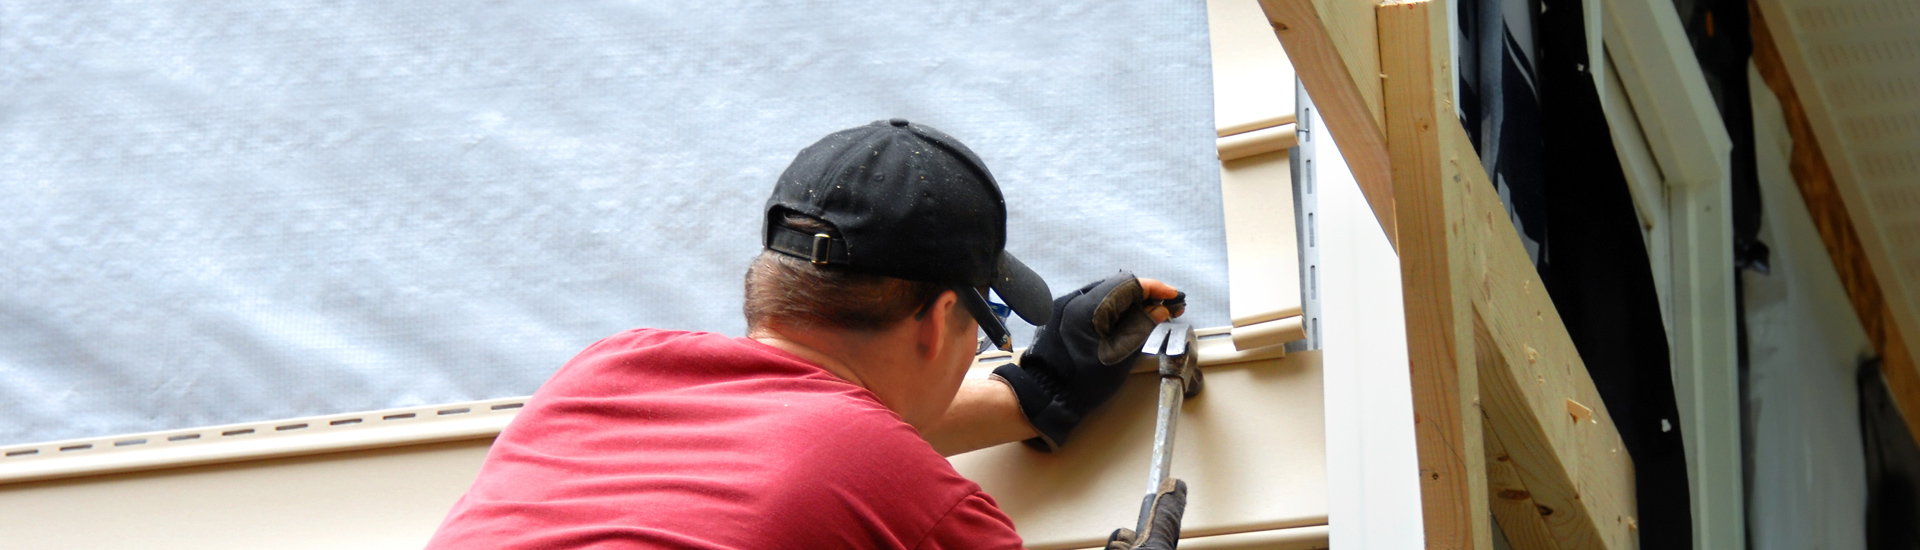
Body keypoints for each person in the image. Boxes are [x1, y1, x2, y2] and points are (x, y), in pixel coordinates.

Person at [425, 118, 1188, 549]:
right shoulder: (922, 502)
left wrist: (1034, 393)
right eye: (984, 329)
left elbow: (791, 446)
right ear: (940, 321)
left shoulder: (606, 371)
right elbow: (847, 455)